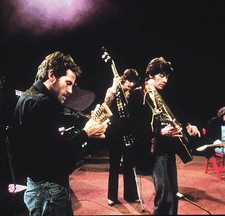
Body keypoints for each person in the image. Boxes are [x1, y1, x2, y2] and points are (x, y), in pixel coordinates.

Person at [13, 51, 107, 216]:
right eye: (68, 83)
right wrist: (86, 133)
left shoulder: (29, 97)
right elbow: (55, 151)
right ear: (52, 75)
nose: (70, 90)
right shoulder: (41, 103)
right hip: (49, 189)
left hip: (38, 186)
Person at [129, 57, 200, 215]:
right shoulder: (138, 94)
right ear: (151, 74)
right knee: (164, 196)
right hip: (155, 152)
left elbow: (175, 114)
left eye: (167, 76)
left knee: (172, 194)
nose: (165, 80)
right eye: (161, 75)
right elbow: (135, 127)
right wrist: (160, 132)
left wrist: (188, 126)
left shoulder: (161, 93)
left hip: (168, 149)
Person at [104, 69, 140, 206]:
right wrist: (114, 87)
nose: (131, 84)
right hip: (115, 133)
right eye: (129, 81)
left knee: (129, 165)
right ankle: (112, 196)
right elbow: (106, 106)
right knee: (114, 165)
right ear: (123, 79)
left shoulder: (133, 94)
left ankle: (130, 195)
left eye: (134, 82)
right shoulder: (112, 90)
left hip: (129, 132)